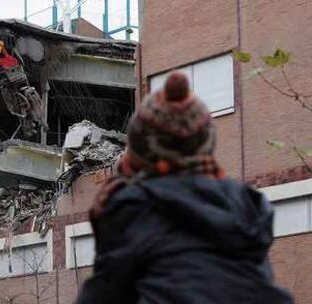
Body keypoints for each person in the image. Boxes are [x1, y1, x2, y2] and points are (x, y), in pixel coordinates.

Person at [76, 72, 293, 304]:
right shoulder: (245, 206)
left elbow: (104, 292)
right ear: (205, 145)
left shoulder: (131, 206)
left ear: (139, 150)